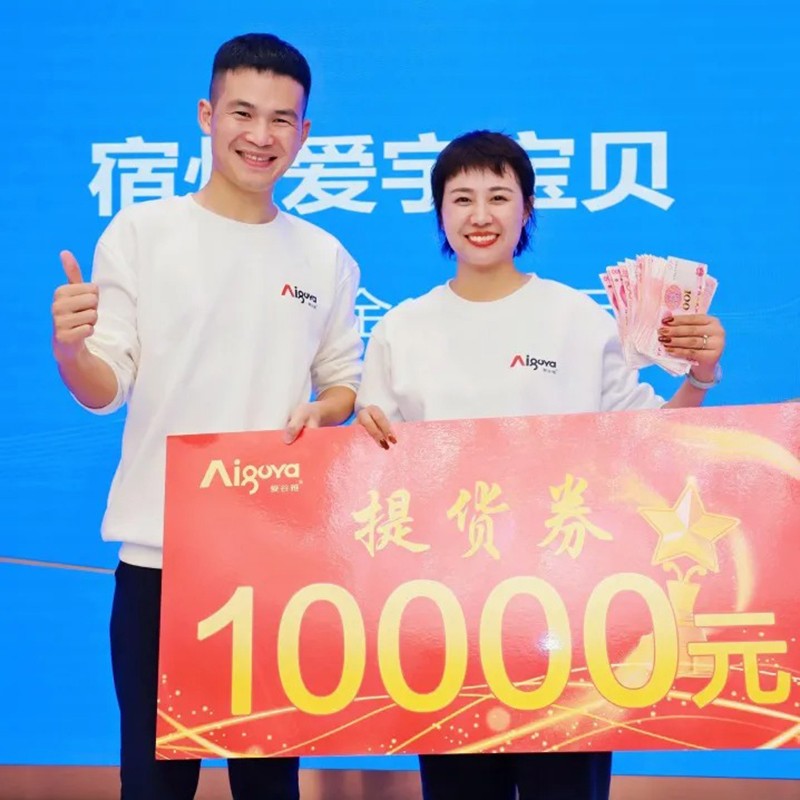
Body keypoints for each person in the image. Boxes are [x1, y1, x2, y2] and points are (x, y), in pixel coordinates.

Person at [355, 130, 726, 800]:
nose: (481, 215)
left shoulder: (575, 320)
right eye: (461, 198)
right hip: (449, 623)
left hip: (570, 617)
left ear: (527, 210)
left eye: (500, 197)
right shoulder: (400, 330)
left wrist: (700, 376)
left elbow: (649, 440)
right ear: (439, 212)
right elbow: (378, 471)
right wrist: (363, 440)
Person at [50, 33, 362, 800]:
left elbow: (342, 384)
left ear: (304, 133)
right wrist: (71, 349)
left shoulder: (325, 257)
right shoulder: (142, 234)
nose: (261, 136)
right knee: (154, 784)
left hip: (276, 564)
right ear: (206, 114)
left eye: (281, 119)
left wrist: (324, 411)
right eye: (242, 113)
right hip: (160, 560)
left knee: (269, 784)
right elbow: (105, 386)